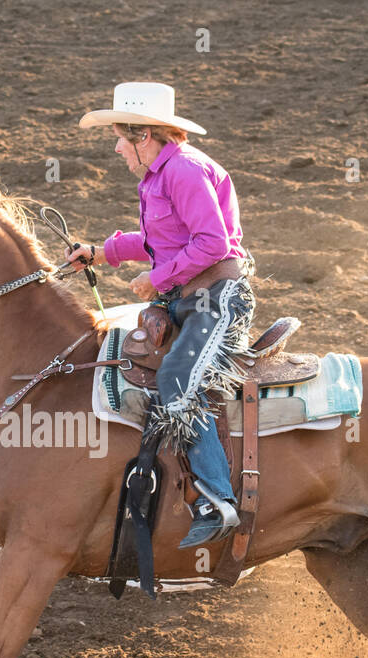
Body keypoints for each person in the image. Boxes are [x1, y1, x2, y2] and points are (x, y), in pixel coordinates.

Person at [67, 82, 256, 547]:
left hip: (216, 298)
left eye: (119, 137)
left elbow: (212, 243)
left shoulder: (185, 171)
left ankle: (217, 500)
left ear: (144, 136)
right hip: (186, 297)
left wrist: (158, 278)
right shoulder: (159, 176)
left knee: (175, 378)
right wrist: (101, 251)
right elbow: (159, 240)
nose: (116, 147)